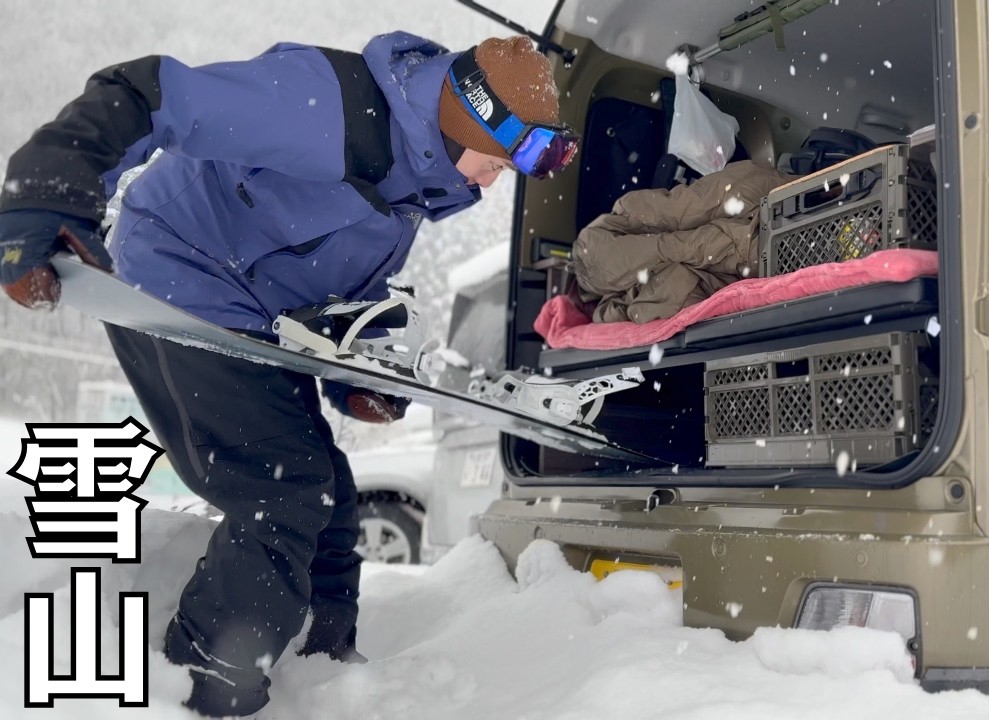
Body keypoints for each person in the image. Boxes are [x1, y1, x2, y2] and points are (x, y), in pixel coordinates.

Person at [0, 31, 578, 717]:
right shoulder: (328, 104)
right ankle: (207, 687)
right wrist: (46, 196)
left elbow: (328, 287)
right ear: (466, 121)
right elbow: (150, 94)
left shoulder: (416, 186)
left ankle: (322, 671)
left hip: (254, 308)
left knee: (327, 490)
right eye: (499, 159)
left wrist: (356, 374)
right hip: (179, 271)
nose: (495, 177)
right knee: (283, 491)